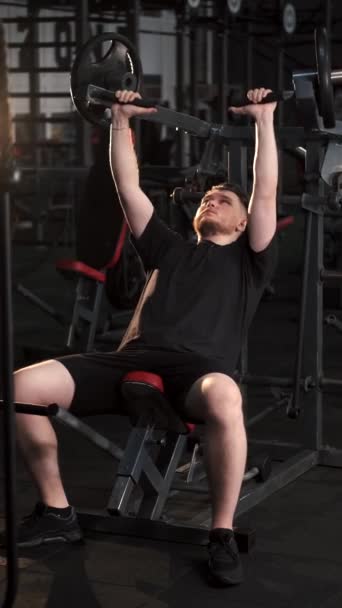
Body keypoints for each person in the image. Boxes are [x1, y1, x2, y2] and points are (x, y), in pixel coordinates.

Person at [6, 87, 278, 587]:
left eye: (224, 200)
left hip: (198, 372)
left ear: (243, 223)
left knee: (226, 395)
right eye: (208, 197)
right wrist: (120, 119)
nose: (212, 200)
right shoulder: (167, 248)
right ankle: (57, 512)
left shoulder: (249, 260)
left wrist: (263, 120)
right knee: (21, 388)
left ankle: (220, 532)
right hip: (130, 359)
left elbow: (264, 192)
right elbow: (127, 185)